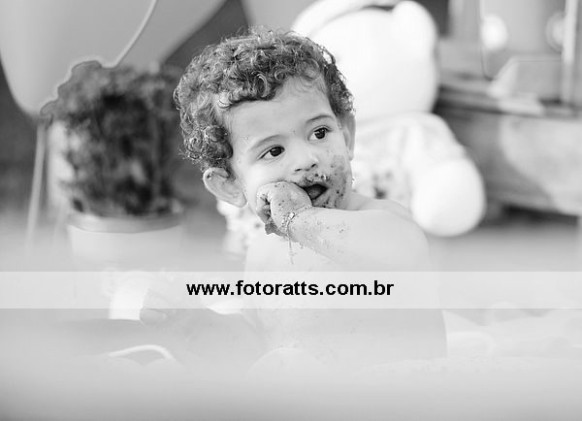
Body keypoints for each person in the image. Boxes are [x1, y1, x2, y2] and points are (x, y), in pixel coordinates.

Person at [174, 27, 445, 368]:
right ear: (230, 186)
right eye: (273, 151)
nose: (306, 159)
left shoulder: (382, 221)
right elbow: (259, 342)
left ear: (346, 136)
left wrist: (298, 220)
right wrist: (195, 325)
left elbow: (401, 253)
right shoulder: (262, 253)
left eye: (319, 133)